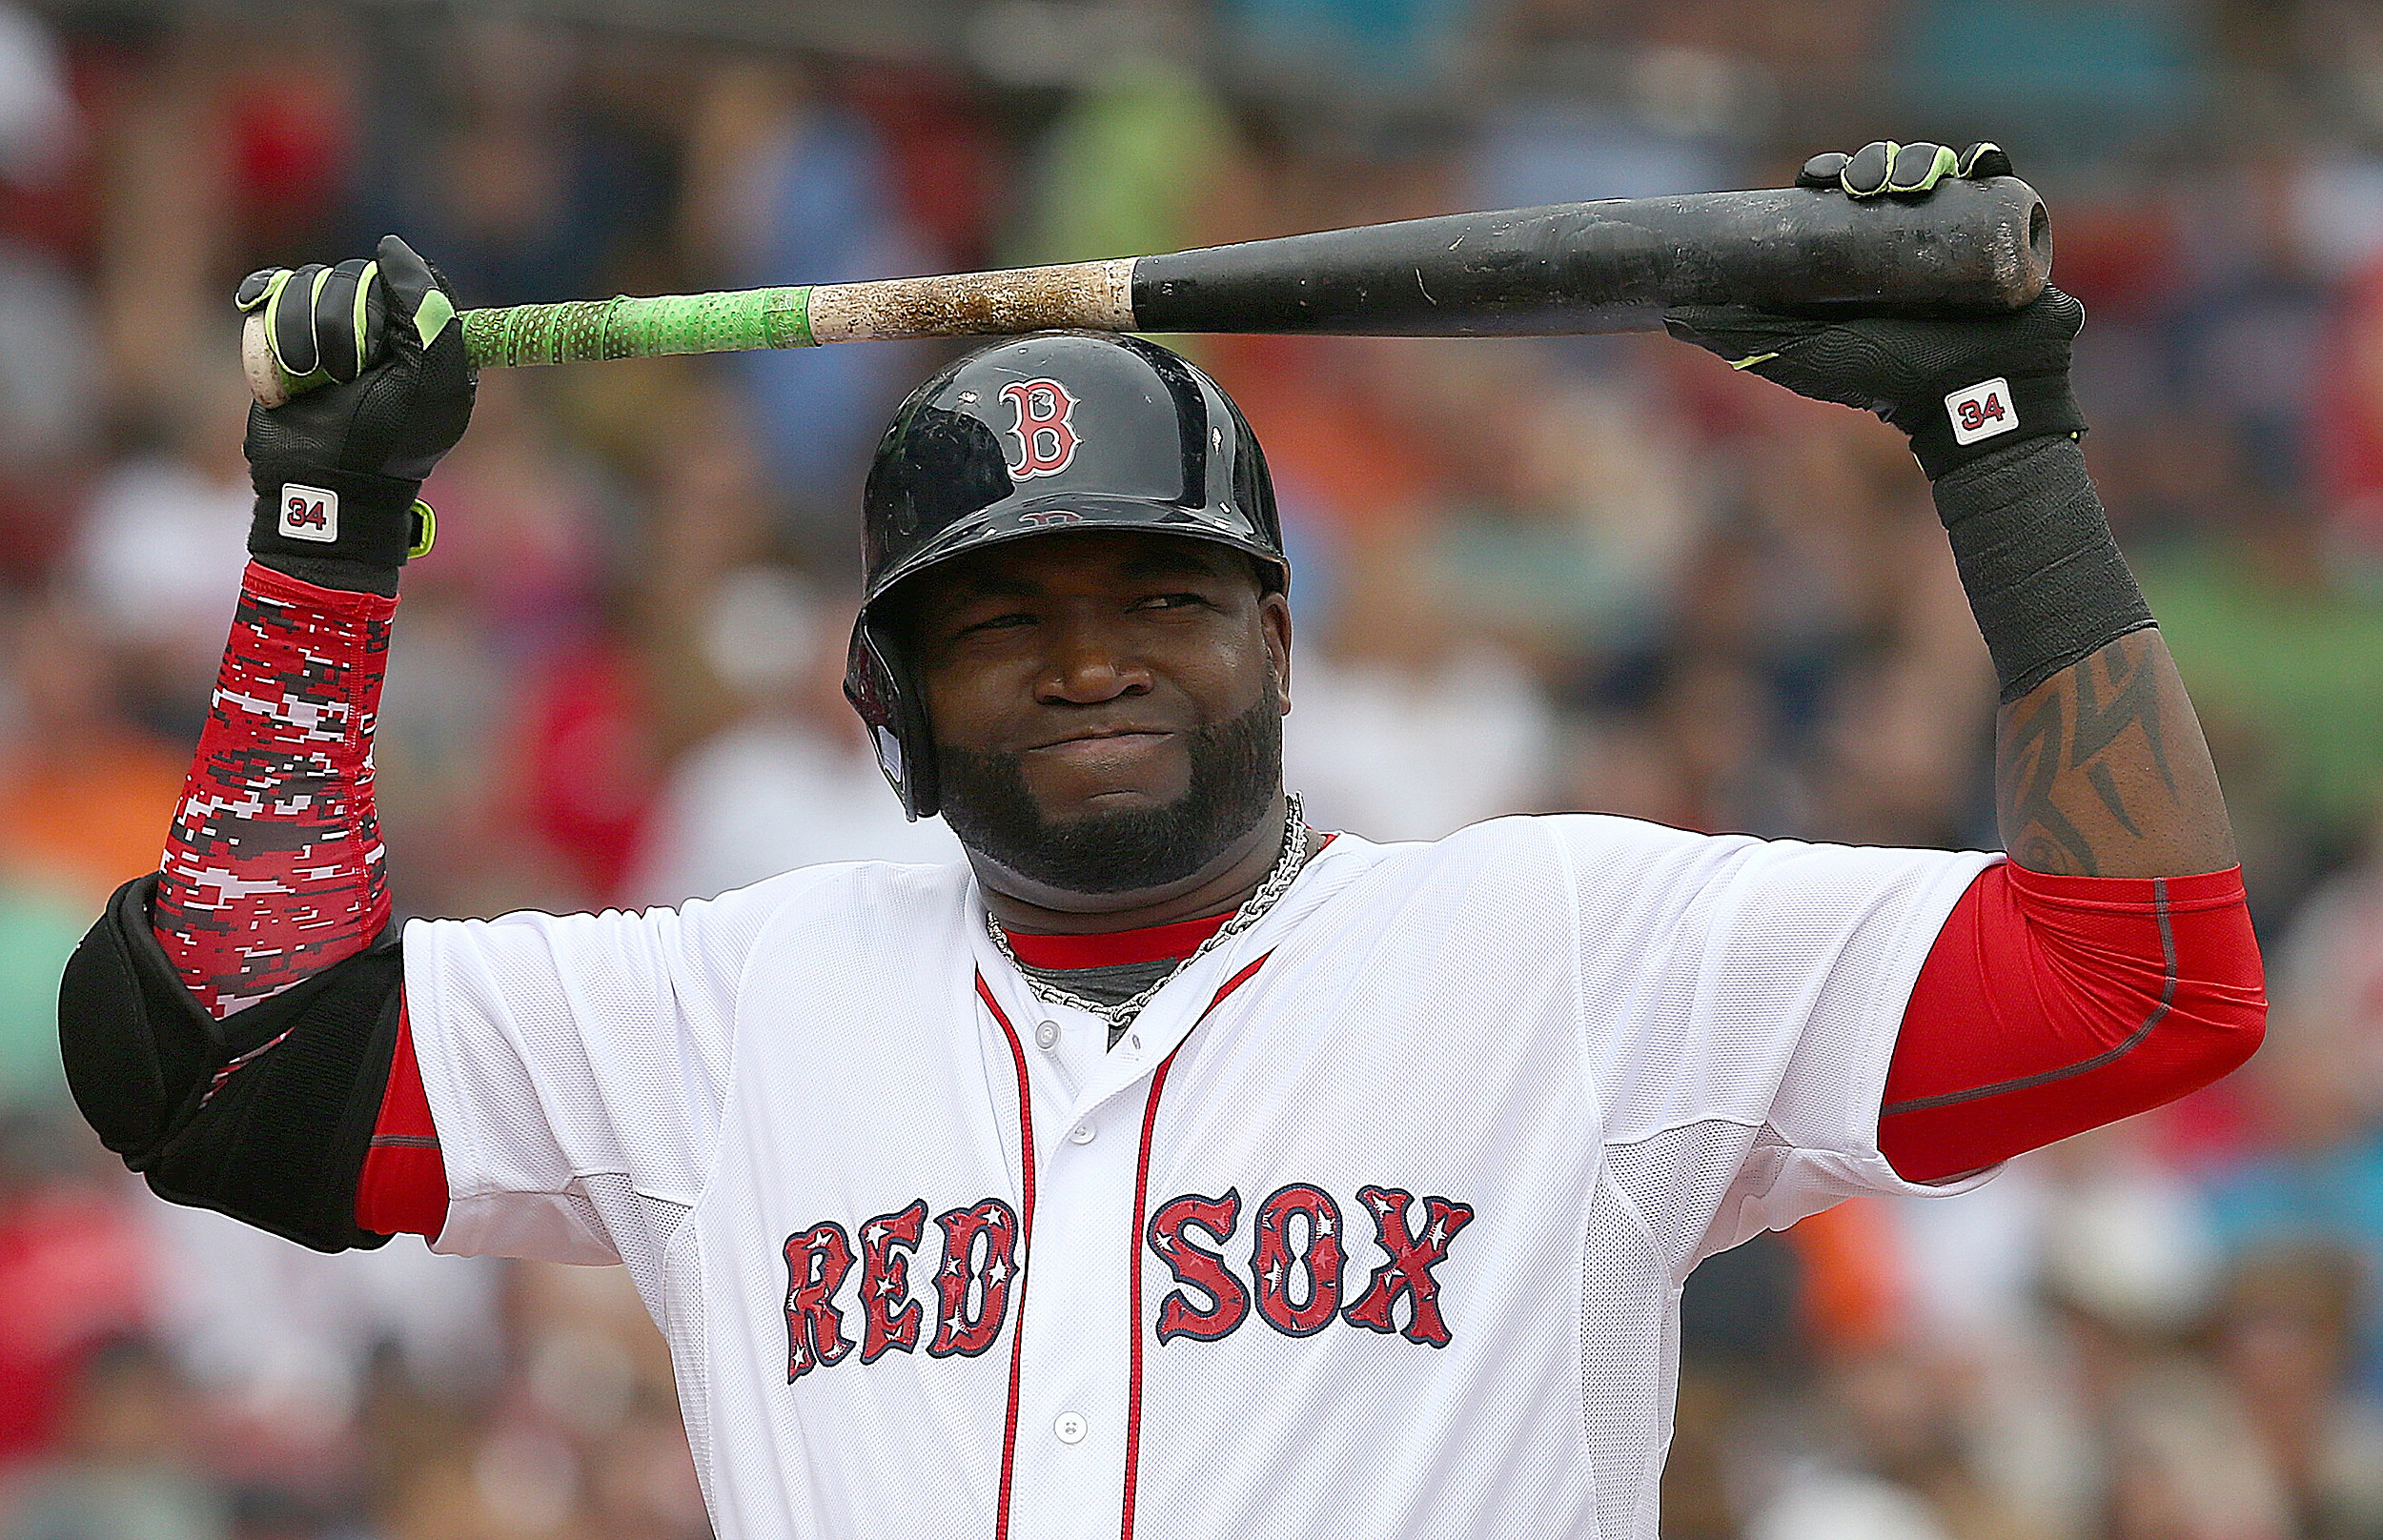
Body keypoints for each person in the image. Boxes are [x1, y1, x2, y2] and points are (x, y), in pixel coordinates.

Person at [60, 143, 2267, 1539]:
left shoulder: (1567, 944)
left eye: (1158, 596)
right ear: (884, 713)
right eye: (1000, 619)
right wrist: (329, 541)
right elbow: (225, 1054)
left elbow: (2139, 983)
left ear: (1280, 648)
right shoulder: (726, 1012)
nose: (1091, 657)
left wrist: (1994, 444)